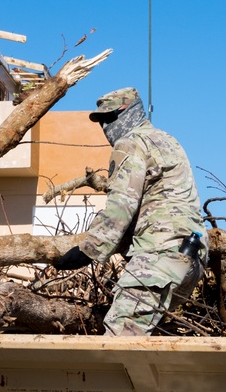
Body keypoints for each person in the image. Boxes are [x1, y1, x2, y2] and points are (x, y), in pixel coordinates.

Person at [54, 87, 208, 336]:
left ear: (127, 113)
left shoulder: (131, 142)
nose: (105, 127)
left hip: (160, 256)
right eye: (101, 121)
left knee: (119, 341)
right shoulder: (168, 140)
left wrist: (87, 251)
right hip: (192, 257)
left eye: (109, 118)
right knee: (146, 336)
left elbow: (121, 205)